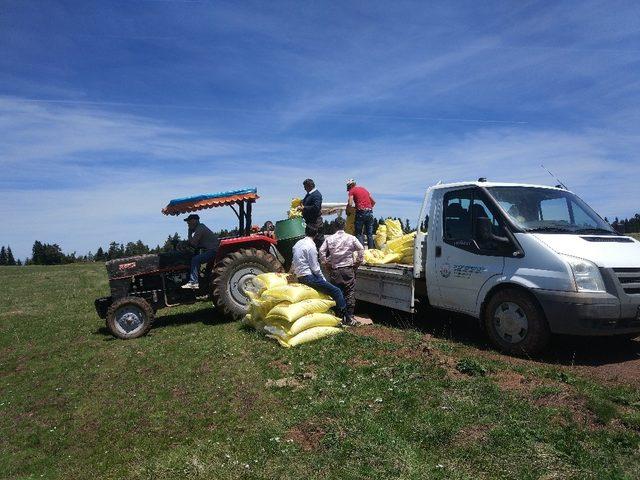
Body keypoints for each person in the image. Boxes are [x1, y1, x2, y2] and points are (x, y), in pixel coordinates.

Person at [292, 225, 348, 321]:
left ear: (305, 233)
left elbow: (294, 261)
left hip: (300, 276)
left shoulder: (297, 244)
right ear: (316, 234)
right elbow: (315, 268)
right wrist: (323, 279)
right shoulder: (311, 246)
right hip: (308, 277)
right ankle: (343, 318)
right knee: (337, 291)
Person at [319, 216, 364, 326]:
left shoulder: (329, 239)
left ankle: (338, 318)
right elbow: (361, 249)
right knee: (349, 292)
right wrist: (357, 263)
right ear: (344, 225)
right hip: (348, 269)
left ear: (334, 226)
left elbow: (321, 251)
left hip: (335, 270)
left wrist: (326, 264)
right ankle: (349, 318)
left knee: (337, 293)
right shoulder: (351, 238)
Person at [182, 214, 220, 289]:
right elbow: (195, 245)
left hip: (213, 251)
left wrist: (189, 233)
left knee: (195, 260)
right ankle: (200, 280)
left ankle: (194, 282)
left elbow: (193, 243)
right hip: (212, 250)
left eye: (189, 222)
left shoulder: (200, 229)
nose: (188, 224)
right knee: (196, 258)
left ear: (194, 221)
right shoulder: (200, 227)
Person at [347, 179, 376, 249]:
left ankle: (361, 252)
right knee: (369, 234)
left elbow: (350, 204)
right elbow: (374, 202)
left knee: (359, 234)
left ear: (350, 185)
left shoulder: (352, 190)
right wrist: (367, 207)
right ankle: (371, 252)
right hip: (369, 212)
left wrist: (348, 211)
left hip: (361, 213)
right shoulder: (364, 189)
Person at [297, 178, 324, 249]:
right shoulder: (309, 194)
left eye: (305, 187)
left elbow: (316, 207)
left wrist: (304, 208)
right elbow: (307, 202)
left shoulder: (316, 195)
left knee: (318, 242)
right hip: (310, 223)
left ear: (309, 186)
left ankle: (321, 258)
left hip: (315, 223)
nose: (304, 189)